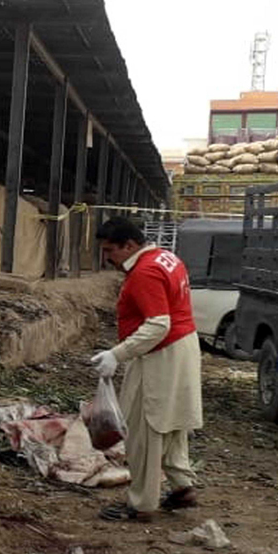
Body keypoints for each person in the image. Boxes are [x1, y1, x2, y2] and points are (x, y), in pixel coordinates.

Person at [90, 217, 202, 521]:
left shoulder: (145, 272)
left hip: (161, 353)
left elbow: (158, 324)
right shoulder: (167, 258)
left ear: (129, 245)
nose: (107, 258)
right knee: (172, 423)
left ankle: (141, 504)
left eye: (110, 250)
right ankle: (182, 487)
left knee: (146, 428)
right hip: (183, 347)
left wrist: (118, 354)